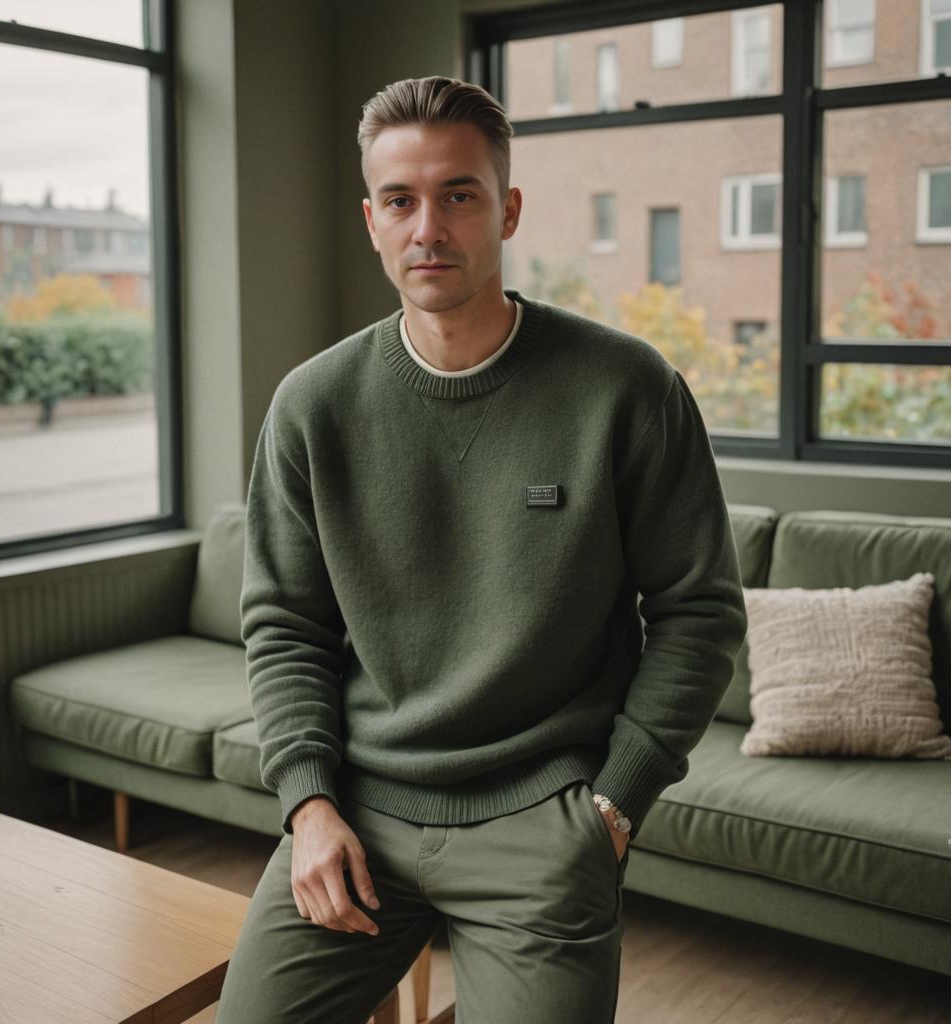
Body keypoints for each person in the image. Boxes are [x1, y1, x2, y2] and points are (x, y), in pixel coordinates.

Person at [216, 75, 747, 1024]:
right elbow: (286, 624)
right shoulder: (311, 405)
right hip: (357, 812)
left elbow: (699, 614)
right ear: (371, 220)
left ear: (505, 209)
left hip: (544, 824)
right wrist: (307, 804)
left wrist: (615, 806)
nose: (430, 227)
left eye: (458, 195)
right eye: (400, 200)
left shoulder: (626, 388)